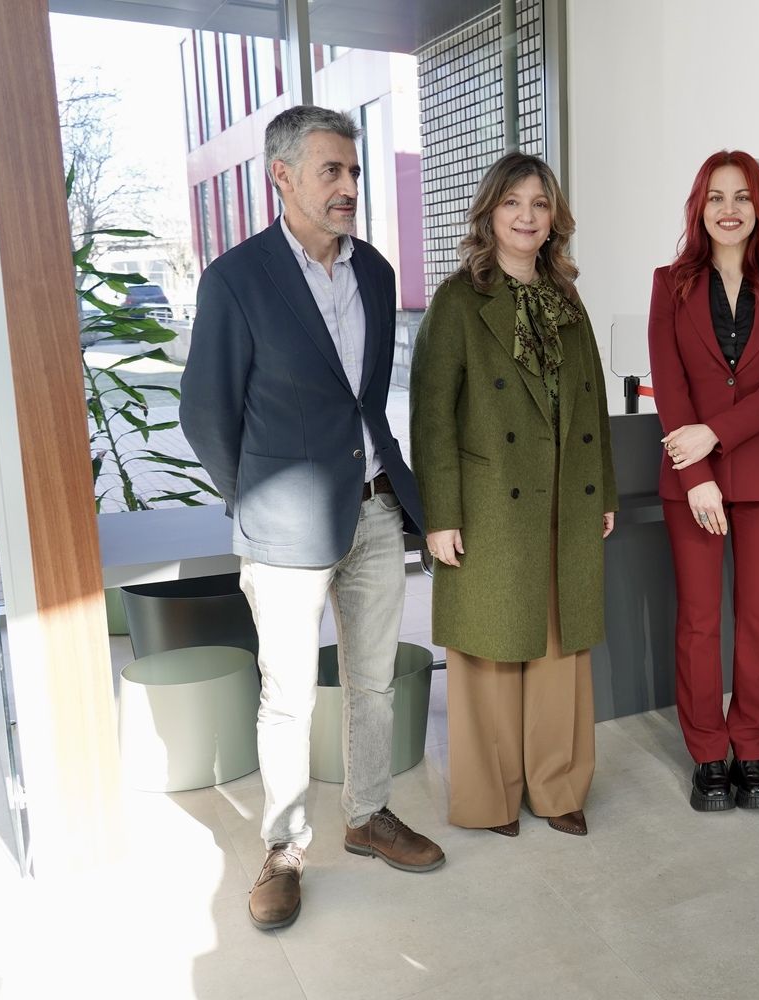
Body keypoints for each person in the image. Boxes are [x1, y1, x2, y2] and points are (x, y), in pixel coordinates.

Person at [181, 105, 445, 933]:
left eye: (355, 173)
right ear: (282, 176)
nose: (349, 188)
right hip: (284, 525)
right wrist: (252, 496)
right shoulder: (237, 277)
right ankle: (285, 850)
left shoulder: (371, 270)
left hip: (374, 511)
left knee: (370, 681)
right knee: (289, 697)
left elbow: (363, 396)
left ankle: (367, 815)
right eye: (331, 171)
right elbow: (206, 412)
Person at [411, 152, 617, 837]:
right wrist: (438, 516)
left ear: (554, 216)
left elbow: (592, 404)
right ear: (489, 213)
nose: (527, 216)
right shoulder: (459, 299)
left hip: (566, 500)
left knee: (559, 650)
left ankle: (558, 787)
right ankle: (490, 798)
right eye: (512, 203)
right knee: (493, 650)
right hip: (490, 502)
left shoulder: (567, 297)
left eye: (539, 203)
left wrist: (604, 492)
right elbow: (431, 414)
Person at [647, 151, 759, 812]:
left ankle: (751, 746)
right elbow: (672, 384)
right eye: (716, 196)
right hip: (693, 480)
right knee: (698, 621)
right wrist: (699, 474)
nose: (729, 208)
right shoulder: (670, 283)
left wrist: (716, 435)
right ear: (700, 206)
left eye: (741, 196)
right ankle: (708, 752)